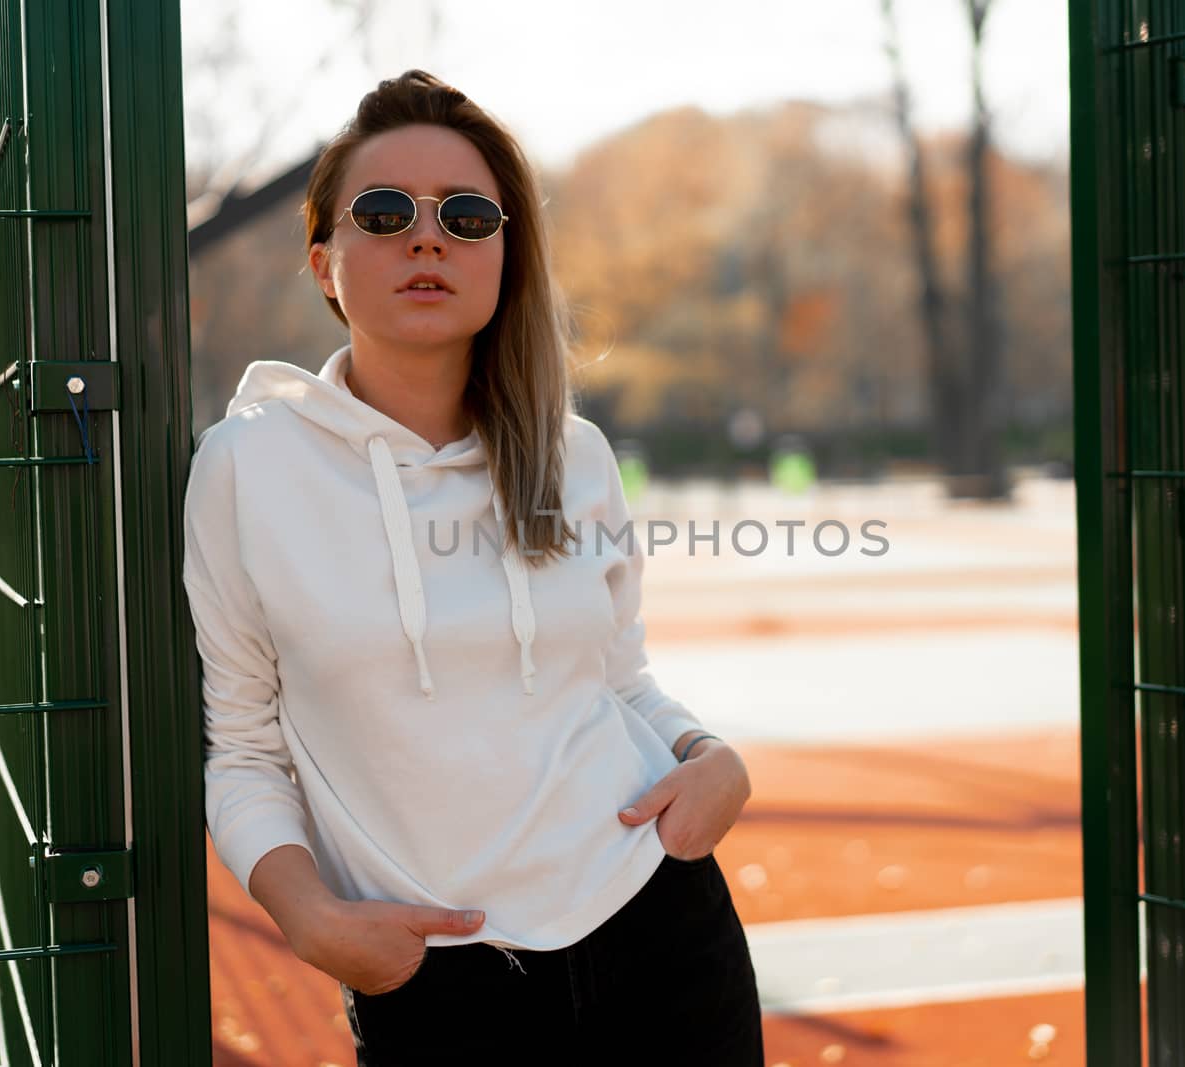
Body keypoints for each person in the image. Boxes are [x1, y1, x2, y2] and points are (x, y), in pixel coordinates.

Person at [181, 70, 764, 1065]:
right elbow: (243, 746)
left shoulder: (570, 452)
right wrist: (309, 916)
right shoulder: (247, 466)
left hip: (661, 934)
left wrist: (711, 755)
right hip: (441, 979)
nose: (427, 236)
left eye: (465, 213)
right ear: (324, 260)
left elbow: (618, 678)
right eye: (383, 211)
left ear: (505, 254)